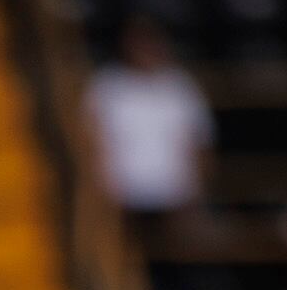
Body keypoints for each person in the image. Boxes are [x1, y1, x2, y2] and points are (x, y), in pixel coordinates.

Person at [87, 20, 214, 220]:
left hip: (174, 194)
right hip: (122, 194)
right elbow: (92, 140)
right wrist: (101, 189)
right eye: (138, 42)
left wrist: (197, 190)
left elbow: (198, 140)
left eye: (150, 42)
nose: (144, 49)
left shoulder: (180, 85)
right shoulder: (106, 85)